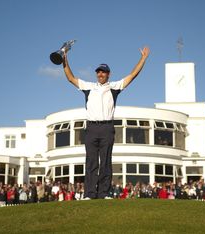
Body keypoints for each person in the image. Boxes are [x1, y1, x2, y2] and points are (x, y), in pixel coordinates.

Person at [62, 46, 150, 199]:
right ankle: (89, 194)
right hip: (91, 127)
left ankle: (104, 193)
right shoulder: (88, 87)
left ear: (108, 74)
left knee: (106, 162)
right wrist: (64, 58)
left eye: (103, 72)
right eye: (98, 72)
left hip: (107, 127)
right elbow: (70, 77)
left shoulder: (114, 87)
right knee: (91, 162)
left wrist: (143, 58)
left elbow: (132, 75)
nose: (100, 74)